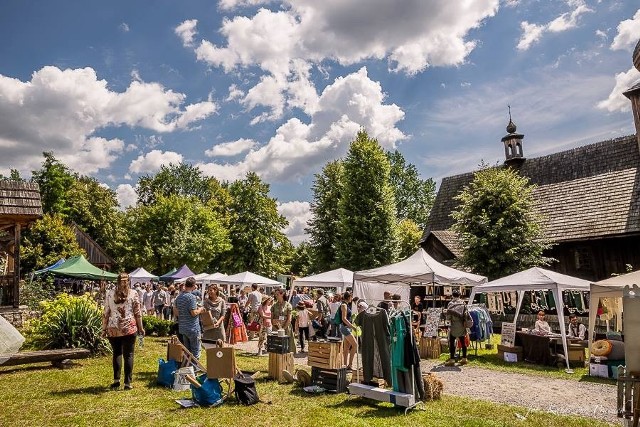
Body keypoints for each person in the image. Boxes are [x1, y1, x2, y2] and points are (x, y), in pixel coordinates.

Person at [102, 273, 144, 390]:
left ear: (117, 281)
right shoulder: (134, 293)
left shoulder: (110, 293)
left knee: (117, 353)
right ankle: (127, 383)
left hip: (113, 327)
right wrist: (141, 328)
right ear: (128, 281)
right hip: (129, 328)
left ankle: (116, 381)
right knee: (129, 354)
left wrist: (104, 329)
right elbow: (138, 313)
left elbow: (106, 313)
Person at [173, 277, 205, 358]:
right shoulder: (191, 297)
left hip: (183, 327)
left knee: (187, 351)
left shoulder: (179, 297)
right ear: (194, 285)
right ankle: (194, 369)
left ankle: (188, 368)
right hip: (192, 328)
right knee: (196, 351)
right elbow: (193, 313)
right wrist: (200, 309)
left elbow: (176, 313)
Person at [444, 289, 469, 366]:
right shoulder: (463, 303)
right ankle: (464, 358)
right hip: (462, 325)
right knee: (462, 341)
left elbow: (448, 316)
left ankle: (452, 359)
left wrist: (447, 321)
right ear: (459, 295)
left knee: (452, 342)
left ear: (452, 295)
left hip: (454, 325)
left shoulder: (450, 304)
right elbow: (466, 313)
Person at [271, 288, 295, 353]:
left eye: (277, 294)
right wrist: (275, 324)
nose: (276, 295)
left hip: (286, 328)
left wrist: (283, 328)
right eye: (275, 294)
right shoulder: (274, 305)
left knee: (286, 347)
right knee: (277, 346)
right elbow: (271, 319)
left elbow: (289, 319)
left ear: (282, 294)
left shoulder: (288, 305)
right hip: (276, 328)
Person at [338, 291, 357, 370]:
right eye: (351, 297)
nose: (351, 299)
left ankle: (345, 365)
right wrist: (352, 327)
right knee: (355, 345)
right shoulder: (344, 305)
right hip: (345, 327)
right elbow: (344, 318)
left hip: (346, 327)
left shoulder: (346, 305)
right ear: (349, 297)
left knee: (346, 348)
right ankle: (350, 365)